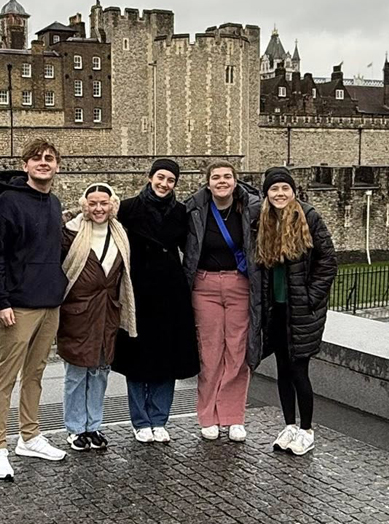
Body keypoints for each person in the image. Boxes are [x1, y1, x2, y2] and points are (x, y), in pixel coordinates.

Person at [0, 139, 69, 479]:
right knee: (5, 378)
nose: (43, 163)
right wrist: (1, 300)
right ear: (25, 166)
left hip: (49, 301)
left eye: (49, 158)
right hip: (18, 305)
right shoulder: (8, 202)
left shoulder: (53, 203)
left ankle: (29, 435)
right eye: (37, 159)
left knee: (35, 374)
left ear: (57, 166)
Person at [114, 159, 199, 443]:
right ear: (149, 177)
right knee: (137, 358)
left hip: (170, 292)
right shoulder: (127, 209)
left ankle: (159, 418)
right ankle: (140, 420)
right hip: (137, 290)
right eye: (160, 178)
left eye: (170, 180)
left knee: (166, 357)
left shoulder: (181, 212)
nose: (164, 184)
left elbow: (191, 249)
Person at [255, 168, 338, 456]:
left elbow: (328, 261)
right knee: (282, 370)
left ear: (293, 191)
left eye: (284, 188)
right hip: (276, 309)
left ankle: (306, 429)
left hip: (301, 311)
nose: (279, 193)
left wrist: (311, 298)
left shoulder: (309, 216)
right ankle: (289, 425)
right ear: (266, 193)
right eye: (274, 188)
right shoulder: (264, 220)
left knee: (299, 371)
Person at [183, 160, 262, 442]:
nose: (222, 181)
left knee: (237, 351)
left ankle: (233, 416)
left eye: (227, 177)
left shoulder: (252, 208)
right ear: (208, 183)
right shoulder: (194, 208)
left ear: (235, 181)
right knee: (210, 352)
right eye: (216, 177)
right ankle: (208, 415)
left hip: (239, 284)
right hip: (204, 285)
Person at [58, 183, 137, 451]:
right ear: (85, 206)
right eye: (93, 203)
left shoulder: (120, 234)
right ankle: (75, 428)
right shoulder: (70, 234)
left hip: (107, 311)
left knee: (100, 371)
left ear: (112, 205)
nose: (99, 208)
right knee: (77, 372)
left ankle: (94, 425)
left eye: (104, 203)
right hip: (78, 311)